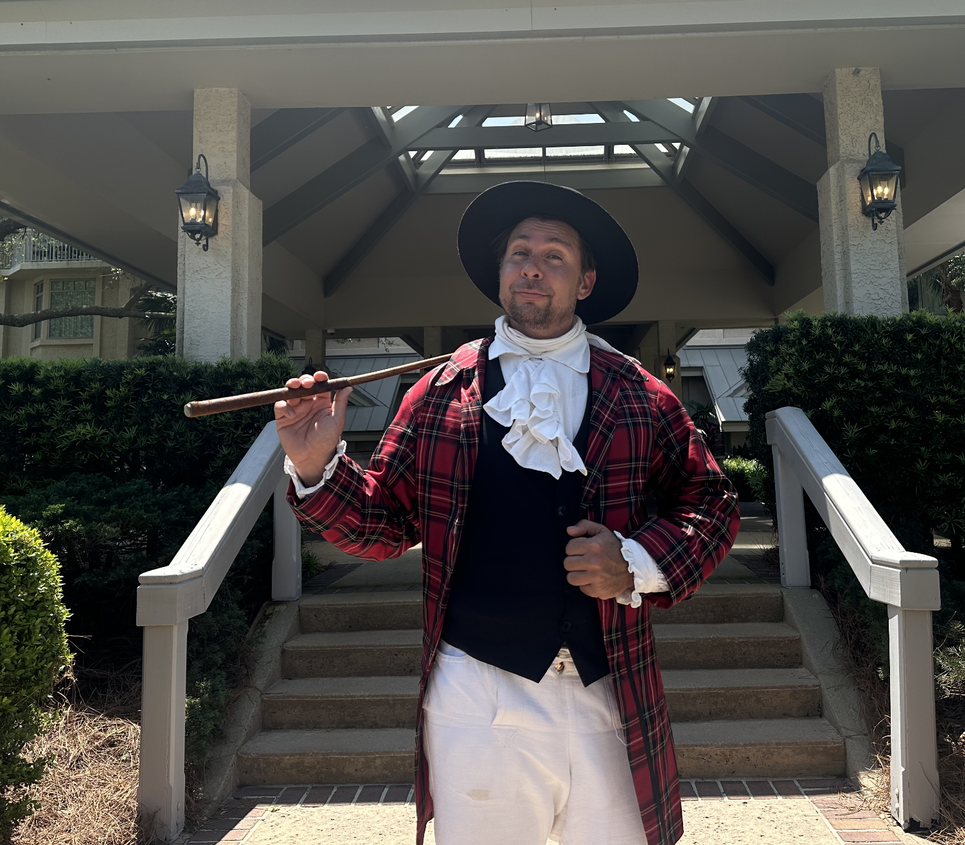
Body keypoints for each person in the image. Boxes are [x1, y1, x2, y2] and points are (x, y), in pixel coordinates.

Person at [275, 181, 740, 845]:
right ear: (499, 274)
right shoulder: (440, 390)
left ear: (585, 282)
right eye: (520, 252)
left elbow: (711, 501)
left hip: (610, 690)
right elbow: (382, 523)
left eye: (555, 255)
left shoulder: (643, 393)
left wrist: (636, 563)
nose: (532, 266)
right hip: (477, 696)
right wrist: (318, 466)